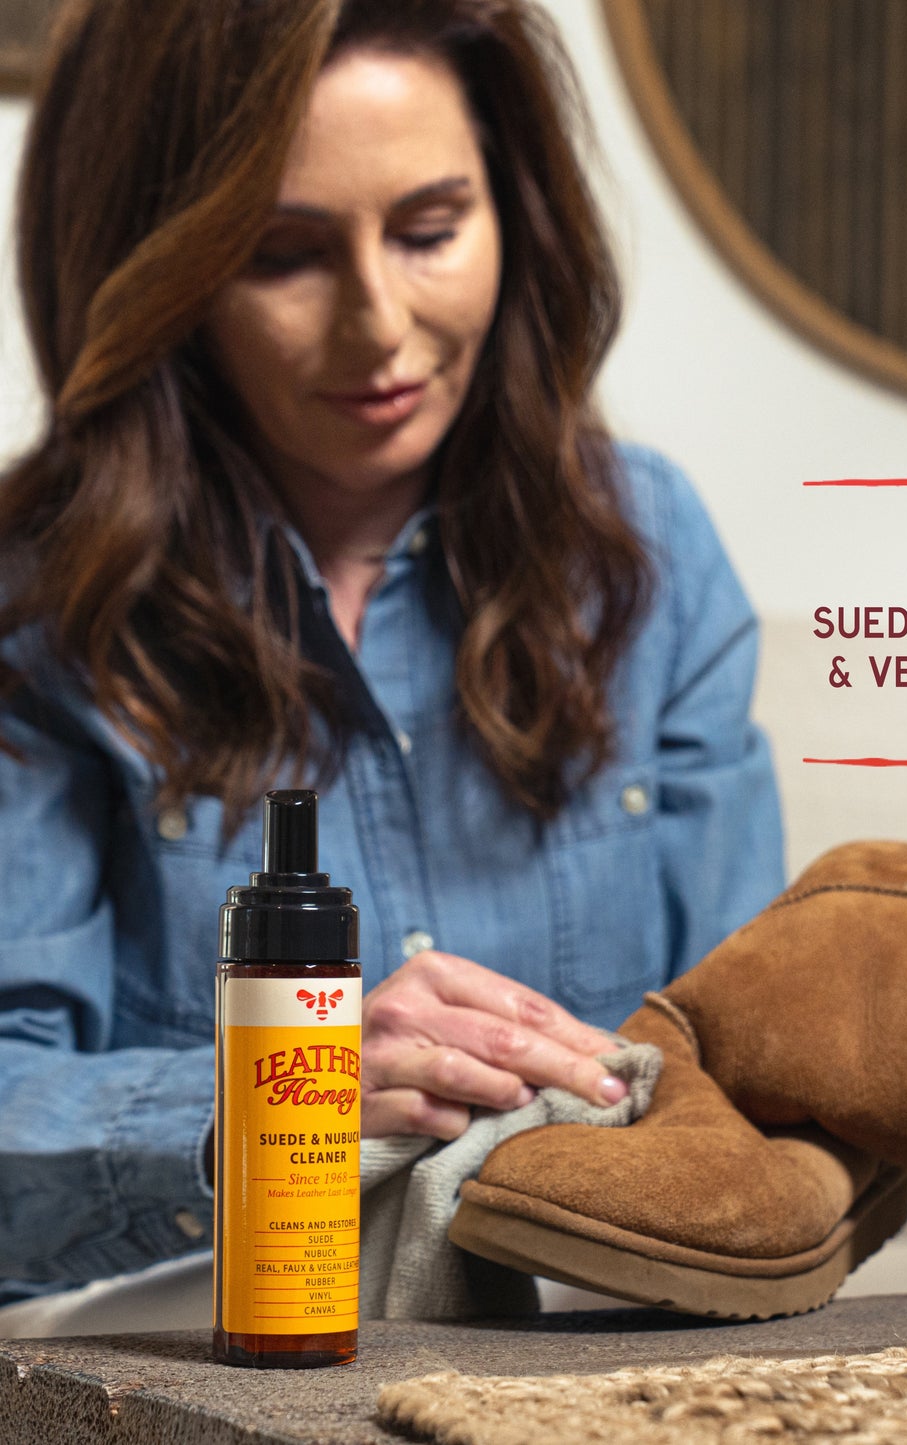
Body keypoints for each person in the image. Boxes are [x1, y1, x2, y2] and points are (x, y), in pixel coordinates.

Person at [0, 0, 782, 1306]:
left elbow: (760, 1081)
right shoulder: (39, 606)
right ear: (160, 273)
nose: (379, 326)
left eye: (430, 232)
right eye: (282, 255)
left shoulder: (648, 551)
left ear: (512, 215)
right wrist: (280, 1087)